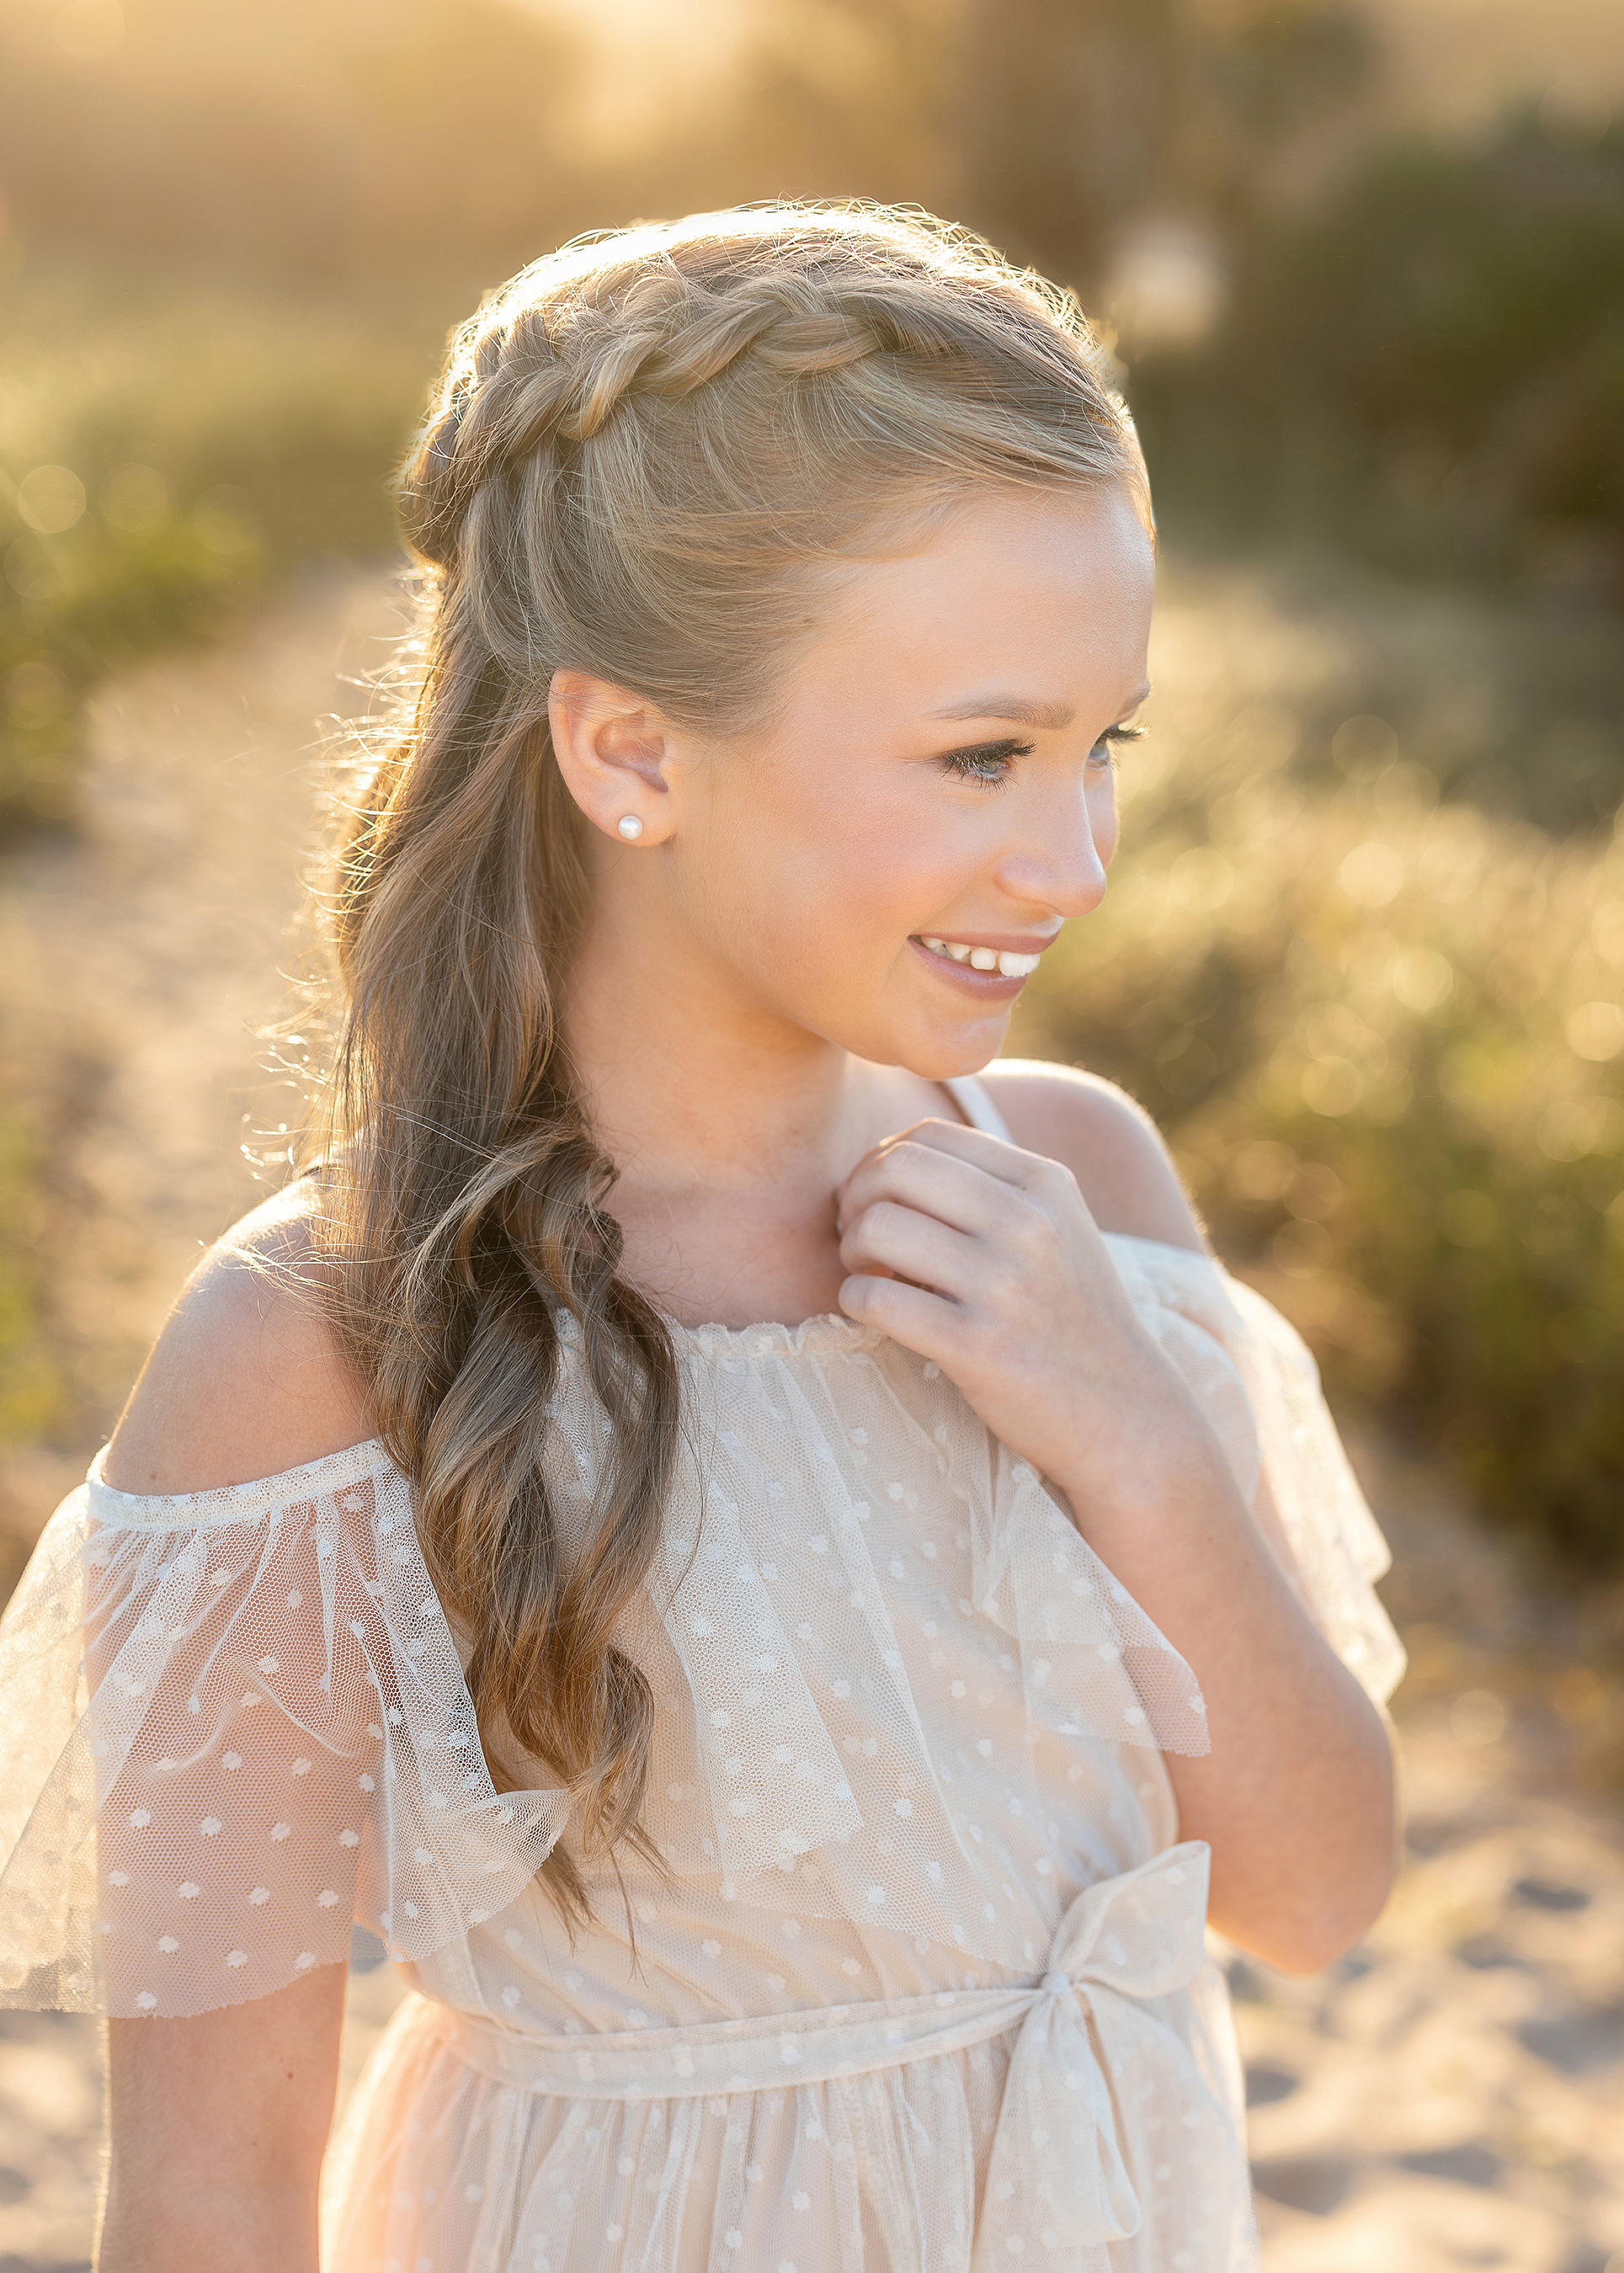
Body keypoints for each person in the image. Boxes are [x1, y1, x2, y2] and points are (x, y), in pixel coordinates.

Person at [0, 204, 1403, 2273]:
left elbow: (1311, 1895)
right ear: (632, 747)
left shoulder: (1077, 1191)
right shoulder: (314, 1338)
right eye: (982, 755)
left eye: (1102, 746)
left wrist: (1128, 1429)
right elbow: (207, 2198)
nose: (1077, 857)